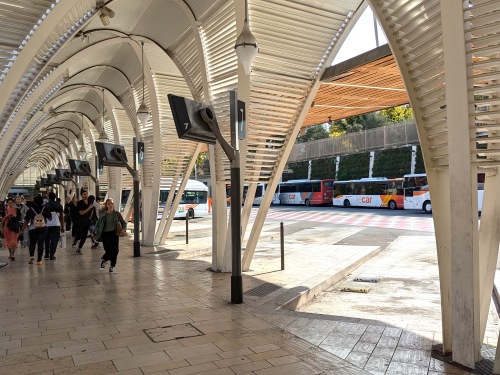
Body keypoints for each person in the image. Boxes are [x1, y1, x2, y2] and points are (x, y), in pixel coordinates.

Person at [95, 198, 126, 273]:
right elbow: (98, 224)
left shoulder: (117, 214)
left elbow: (123, 223)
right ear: (106, 205)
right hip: (105, 234)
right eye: (109, 203)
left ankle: (112, 266)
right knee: (108, 250)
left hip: (114, 234)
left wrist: (123, 229)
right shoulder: (103, 215)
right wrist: (95, 231)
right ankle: (104, 259)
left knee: (115, 251)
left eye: (111, 203)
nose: (110, 205)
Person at [23, 195, 51, 265]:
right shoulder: (45, 208)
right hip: (43, 228)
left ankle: (31, 255)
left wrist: (22, 229)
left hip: (33, 228)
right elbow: (50, 218)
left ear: (34, 201)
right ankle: (39, 260)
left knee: (32, 243)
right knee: (41, 244)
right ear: (42, 201)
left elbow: (26, 220)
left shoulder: (30, 209)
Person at [44, 192, 64, 260]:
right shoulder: (59, 206)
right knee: (54, 241)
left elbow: (43, 216)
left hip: (47, 226)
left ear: (48, 197)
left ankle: (46, 254)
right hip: (56, 225)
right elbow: (61, 217)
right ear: (55, 197)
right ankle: (52, 255)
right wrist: (62, 227)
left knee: (47, 240)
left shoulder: (45, 206)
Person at [74, 190, 93, 255]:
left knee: (84, 236)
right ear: (81, 195)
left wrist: (90, 217)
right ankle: (76, 239)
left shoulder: (89, 202)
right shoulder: (79, 203)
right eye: (84, 194)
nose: (85, 196)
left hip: (87, 221)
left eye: (86, 194)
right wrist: (88, 208)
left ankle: (79, 248)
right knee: (80, 235)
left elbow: (92, 210)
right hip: (80, 221)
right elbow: (81, 213)